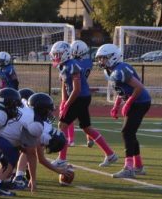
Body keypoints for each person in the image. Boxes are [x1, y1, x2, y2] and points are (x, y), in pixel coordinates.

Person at [54, 40, 118, 169]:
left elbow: (76, 89)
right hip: (78, 97)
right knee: (87, 128)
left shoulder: (73, 65)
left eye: (58, 54)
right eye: (55, 54)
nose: (56, 57)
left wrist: (66, 104)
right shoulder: (63, 65)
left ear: (66, 53)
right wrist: (63, 101)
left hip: (80, 97)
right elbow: (64, 86)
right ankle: (110, 154)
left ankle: (62, 159)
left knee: (62, 125)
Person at [95, 44, 152, 179]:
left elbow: (139, 87)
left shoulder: (121, 69)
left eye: (104, 58)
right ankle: (138, 166)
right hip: (134, 101)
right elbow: (121, 90)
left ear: (113, 57)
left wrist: (128, 103)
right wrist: (116, 105)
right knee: (130, 133)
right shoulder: (109, 71)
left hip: (141, 102)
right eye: (100, 58)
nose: (101, 61)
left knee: (127, 132)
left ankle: (129, 168)